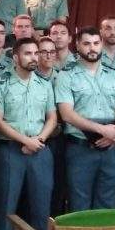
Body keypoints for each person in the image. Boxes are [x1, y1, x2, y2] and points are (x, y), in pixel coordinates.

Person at [0, 38, 57, 230]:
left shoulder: (44, 84)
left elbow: (52, 116)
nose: (33, 57)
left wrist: (38, 139)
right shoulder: (2, 83)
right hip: (11, 150)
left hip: (40, 149)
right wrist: (24, 140)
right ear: (16, 57)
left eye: (35, 53)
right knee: (6, 207)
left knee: (41, 207)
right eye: (27, 53)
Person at [55, 27, 115, 211]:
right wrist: (102, 130)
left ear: (101, 45)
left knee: (108, 203)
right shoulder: (66, 76)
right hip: (80, 149)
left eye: (95, 43)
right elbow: (67, 114)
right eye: (86, 44)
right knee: (79, 204)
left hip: (112, 149)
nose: (92, 48)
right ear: (77, 45)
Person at [35, 36, 69, 215]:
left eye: (51, 52)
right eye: (43, 52)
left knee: (57, 186)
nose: (48, 56)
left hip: (58, 139)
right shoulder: (30, 77)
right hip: (35, 138)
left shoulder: (63, 78)